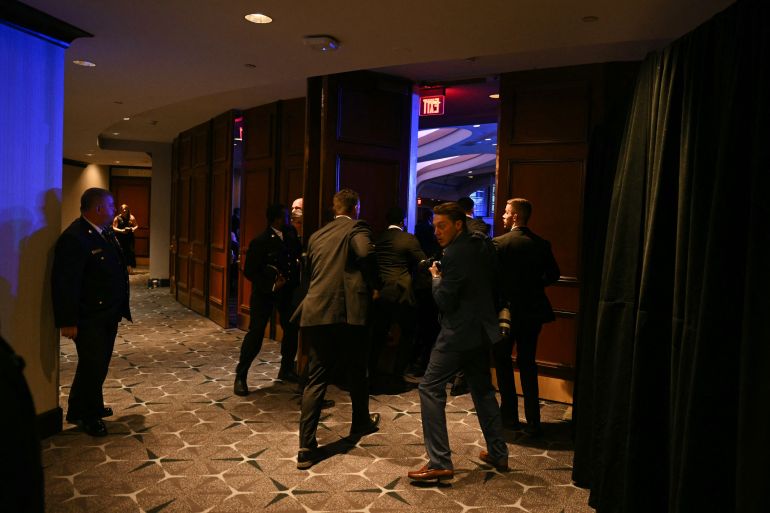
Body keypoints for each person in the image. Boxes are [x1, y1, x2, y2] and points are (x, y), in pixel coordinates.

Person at [408, 202, 508, 482]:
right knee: (483, 391)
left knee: (429, 388)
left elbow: (445, 301)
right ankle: (498, 452)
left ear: (458, 224)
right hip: (481, 330)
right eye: (435, 226)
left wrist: (436, 278)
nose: (437, 232)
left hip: (457, 332)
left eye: (442, 226)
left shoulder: (454, 253)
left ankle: (439, 461)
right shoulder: (482, 244)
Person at [294, 188, 382, 469]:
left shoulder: (317, 235)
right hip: (347, 313)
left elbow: (309, 273)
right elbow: (365, 252)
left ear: (335, 208)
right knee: (358, 368)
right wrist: (376, 285)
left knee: (316, 378)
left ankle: (306, 446)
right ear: (356, 207)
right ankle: (360, 421)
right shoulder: (357, 228)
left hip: (316, 310)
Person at [52, 188, 131, 437]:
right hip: (89, 316)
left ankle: (81, 407)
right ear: (98, 208)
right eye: (111, 205)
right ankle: (89, 415)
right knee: (93, 365)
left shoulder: (103, 232)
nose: (114, 209)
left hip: (107, 313)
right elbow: (65, 282)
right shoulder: (75, 237)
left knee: (97, 364)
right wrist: (67, 320)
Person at [492, 198, 560, 437]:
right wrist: (534, 285)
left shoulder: (500, 243)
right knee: (528, 363)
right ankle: (533, 420)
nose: (503, 215)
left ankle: (509, 416)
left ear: (515, 216)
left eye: (506, 212)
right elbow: (554, 274)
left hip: (506, 312)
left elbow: (492, 279)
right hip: (533, 311)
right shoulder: (541, 244)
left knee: (502, 360)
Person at [234, 204, 302, 395]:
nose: (289, 219)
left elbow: (297, 254)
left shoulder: (290, 234)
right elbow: (250, 271)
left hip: (286, 292)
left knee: (291, 329)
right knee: (256, 333)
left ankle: (286, 369)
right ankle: (241, 376)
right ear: (277, 219)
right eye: (286, 216)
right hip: (264, 293)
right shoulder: (260, 241)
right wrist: (271, 284)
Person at [370, 206, 426, 392]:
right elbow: (422, 262)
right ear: (403, 221)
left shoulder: (378, 238)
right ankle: (397, 375)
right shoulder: (408, 238)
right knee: (408, 334)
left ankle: (372, 374)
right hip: (402, 292)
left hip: (380, 292)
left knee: (378, 335)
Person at [112, 203, 138, 274]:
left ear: (128, 210)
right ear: (120, 210)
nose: (124, 210)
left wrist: (133, 229)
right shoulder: (117, 218)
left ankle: (130, 268)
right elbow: (113, 227)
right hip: (120, 237)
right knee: (121, 252)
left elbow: (136, 225)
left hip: (129, 237)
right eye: (123, 209)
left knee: (130, 252)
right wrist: (121, 231)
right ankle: (122, 268)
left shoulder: (131, 217)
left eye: (125, 209)